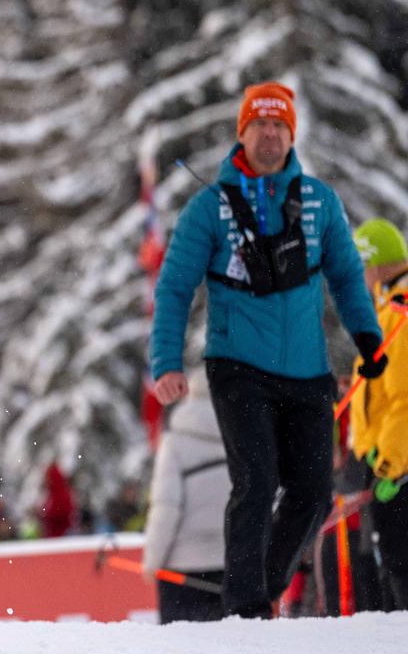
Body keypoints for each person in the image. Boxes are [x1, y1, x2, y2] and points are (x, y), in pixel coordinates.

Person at [150, 81, 384, 618]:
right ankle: (244, 607)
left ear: (291, 134)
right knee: (256, 481)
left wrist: (367, 337)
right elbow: (175, 287)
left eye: (280, 125)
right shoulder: (210, 208)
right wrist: (165, 363)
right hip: (238, 366)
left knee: (312, 494)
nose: (271, 134)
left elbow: (348, 276)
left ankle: (265, 590)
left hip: (306, 370)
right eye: (261, 124)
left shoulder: (321, 202)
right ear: (244, 133)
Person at [347, 218, 408, 609]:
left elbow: (404, 397)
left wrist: (390, 463)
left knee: (400, 568)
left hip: (397, 470)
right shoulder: (388, 311)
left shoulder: (399, 315)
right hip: (384, 462)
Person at [142, 369, 228, 623]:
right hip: (233, 563)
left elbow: (166, 508)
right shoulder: (242, 437)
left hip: (182, 570)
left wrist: (152, 561)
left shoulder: (175, 442)